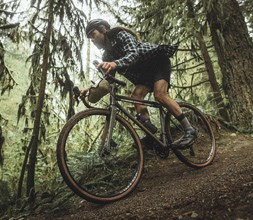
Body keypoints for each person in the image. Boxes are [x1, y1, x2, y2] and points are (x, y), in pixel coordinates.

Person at [81, 18, 198, 149]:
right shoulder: (107, 56)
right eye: (89, 37)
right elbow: (107, 79)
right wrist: (90, 87)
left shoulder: (121, 35)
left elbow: (134, 54)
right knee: (136, 96)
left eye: (93, 34)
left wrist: (116, 63)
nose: (91, 39)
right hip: (144, 75)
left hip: (157, 62)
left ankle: (190, 129)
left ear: (103, 30)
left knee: (160, 95)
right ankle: (151, 134)